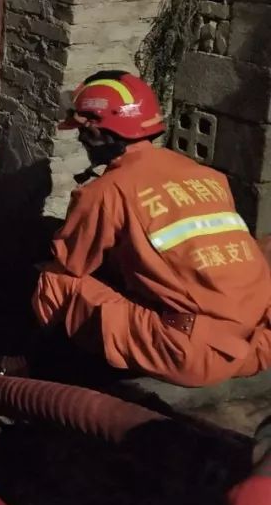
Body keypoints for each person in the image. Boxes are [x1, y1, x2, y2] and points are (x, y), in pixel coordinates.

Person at [33, 69, 271, 386]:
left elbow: (71, 262)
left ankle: (42, 368)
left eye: (82, 131)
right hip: (259, 342)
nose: (80, 139)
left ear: (97, 132)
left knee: (55, 280)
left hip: (196, 353)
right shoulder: (206, 175)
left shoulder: (106, 191)